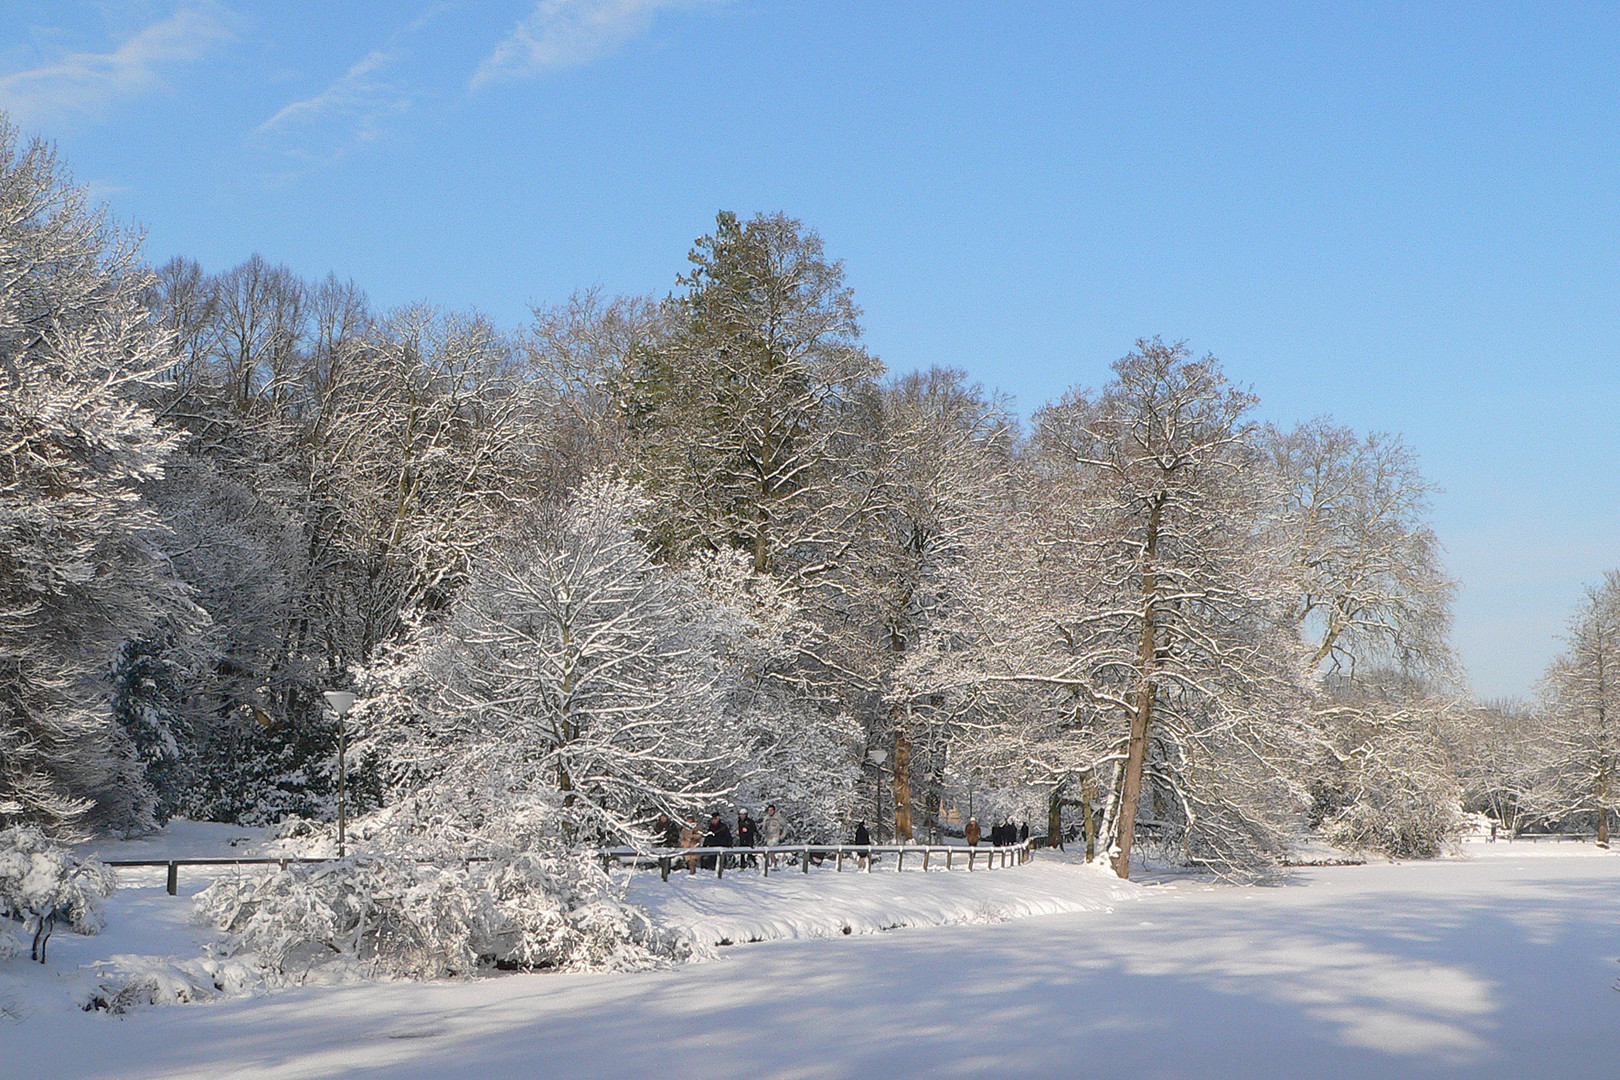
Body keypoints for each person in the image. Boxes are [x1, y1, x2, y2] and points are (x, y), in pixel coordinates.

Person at [761, 803, 787, 867]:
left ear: (774, 810)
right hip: (768, 836)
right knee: (768, 851)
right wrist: (764, 830)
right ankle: (769, 864)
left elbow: (785, 826)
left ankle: (774, 864)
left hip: (775, 836)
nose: (770, 811)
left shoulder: (778, 817)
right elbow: (763, 826)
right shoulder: (766, 818)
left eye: (771, 810)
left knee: (772, 849)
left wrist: (783, 834)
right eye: (769, 810)